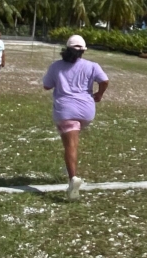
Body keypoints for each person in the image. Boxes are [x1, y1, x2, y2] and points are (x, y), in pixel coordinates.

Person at [43, 35, 109, 200]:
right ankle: (69, 167)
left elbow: (46, 86)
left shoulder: (56, 66)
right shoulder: (92, 66)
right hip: (87, 111)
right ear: (83, 51)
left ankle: (73, 179)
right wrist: (99, 94)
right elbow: (105, 80)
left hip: (66, 111)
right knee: (73, 139)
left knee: (70, 146)